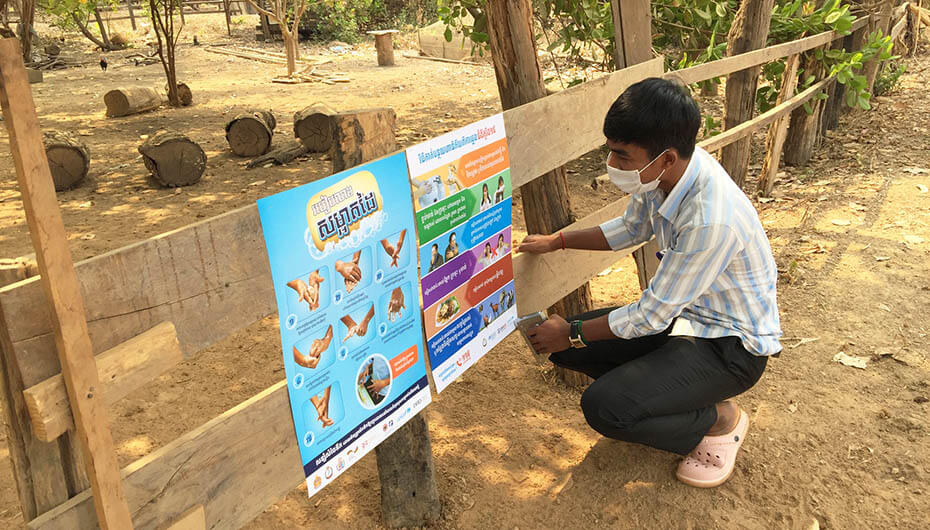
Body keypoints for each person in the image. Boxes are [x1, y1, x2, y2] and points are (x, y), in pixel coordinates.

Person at [518, 77, 782, 489]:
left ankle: (719, 420)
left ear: (666, 157)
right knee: (569, 352)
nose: (612, 163)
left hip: (730, 347)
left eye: (621, 155)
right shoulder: (664, 177)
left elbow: (652, 313)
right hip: (687, 321)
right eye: (610, 149)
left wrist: (570, 332)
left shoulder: (711, 218)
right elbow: (630, 228)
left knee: (604, 407)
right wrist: (559, 240)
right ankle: (664, 392)